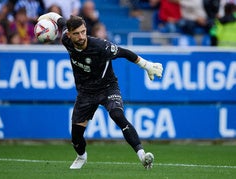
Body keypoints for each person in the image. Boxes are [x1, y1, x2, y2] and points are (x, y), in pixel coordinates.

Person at [38, 12, 163, 170]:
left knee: (117, 115)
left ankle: (142, 155)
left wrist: (147, 66)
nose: (81, 36)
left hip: (107, 87)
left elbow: (125, 52)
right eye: (76, 34)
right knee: (76, 138)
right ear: (69, 34)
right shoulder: (66, 39)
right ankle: (81, 156)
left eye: (83, 31)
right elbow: (60, 20)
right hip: (85, 93)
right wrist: (46, 16)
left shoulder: (100, 46)